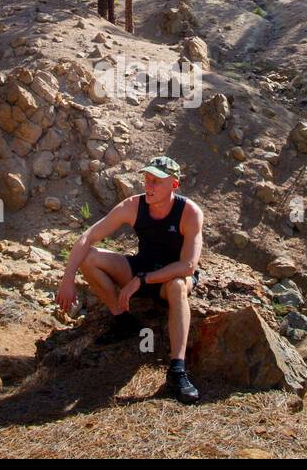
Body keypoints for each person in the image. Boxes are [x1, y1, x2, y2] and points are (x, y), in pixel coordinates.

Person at [57, 156, 203, 404]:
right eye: (147, 180)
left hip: (170, 278)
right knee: (89, 258)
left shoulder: (189, 212)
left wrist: (143, 280)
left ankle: (177, 371)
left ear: (174, 184)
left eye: (157, 181)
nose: (149, 186)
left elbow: (188, 265)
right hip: (140, 268)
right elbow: (88, 237)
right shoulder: (133, 206)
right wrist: (67, 277)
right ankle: (122, 320)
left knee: (178, 285)